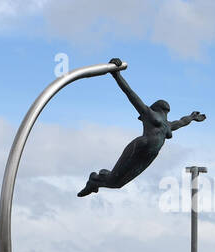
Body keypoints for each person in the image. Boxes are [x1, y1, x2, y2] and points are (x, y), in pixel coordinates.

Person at [78, 59, 206, 196]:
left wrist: (192, 117)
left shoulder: (167, 125)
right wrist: (117, 75)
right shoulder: (149, 113)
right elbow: (130, 93)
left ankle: (97, 180)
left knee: (118, 184)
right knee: (114, 179)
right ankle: (95, 179)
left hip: (150, 155)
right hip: (140, 147)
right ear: (157, 106)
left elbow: (181, 122)